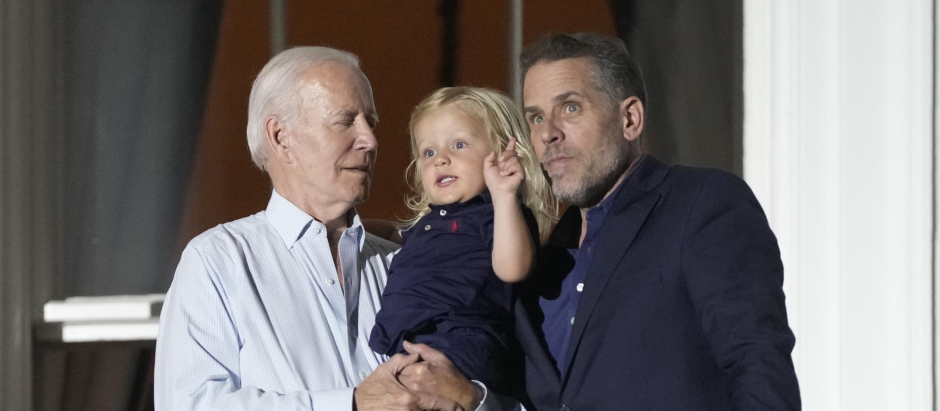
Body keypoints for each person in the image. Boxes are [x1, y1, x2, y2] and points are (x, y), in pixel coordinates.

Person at [155, 46, 500, 411]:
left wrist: (473, 400)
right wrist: (349, 403)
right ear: (280, 137)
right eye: (345, 121)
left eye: (370, 122)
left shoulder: (406, 263)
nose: (370, 140)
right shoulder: (218, 262)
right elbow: (187, 404)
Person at [514, 33, 802, 410]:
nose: (547, 133)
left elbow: (756, 363)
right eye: (535, 117)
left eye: (569, 107)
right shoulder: (540, 259)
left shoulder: (701, 204)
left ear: (629, 118)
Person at [368, 87, 555, 395]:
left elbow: (513, 269)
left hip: (463, 342)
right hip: (411, 346)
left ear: (503, 152)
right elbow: (392, 233)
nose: (441, 159)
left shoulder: (498, 215)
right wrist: (340, 225)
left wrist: (504, 195)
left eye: (459, 144)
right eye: (428, 152)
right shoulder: (429, 224)